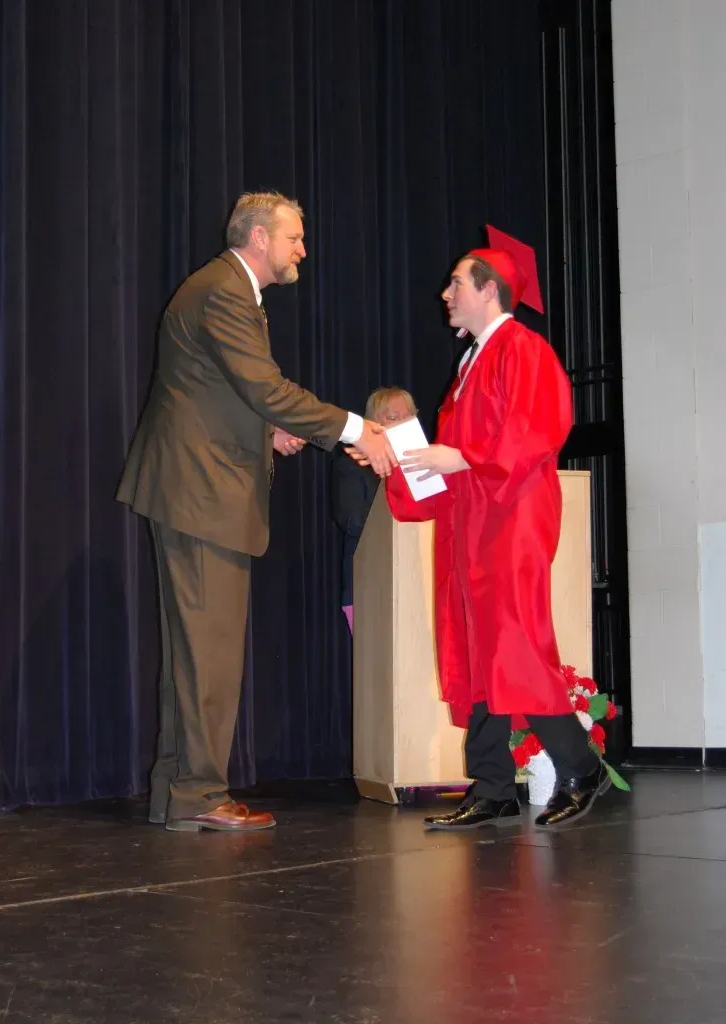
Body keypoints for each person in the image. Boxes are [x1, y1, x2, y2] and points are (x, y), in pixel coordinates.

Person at [117, 191, 394, 833]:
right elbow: (264, 386)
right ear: (260, 238)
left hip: (193, 488)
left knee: (193, 653)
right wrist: (356, 429)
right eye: (294, 238)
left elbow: (216, 389)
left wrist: (267, 430)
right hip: (200, 492)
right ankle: (198, 793)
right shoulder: (224, 292)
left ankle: (178, 792)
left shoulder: (225, 290)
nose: (303, 250)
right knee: (209, 653)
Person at [379, 242, 613, 831]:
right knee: (479, 648)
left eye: (456, 282)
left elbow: (534, 431)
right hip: (474, 525)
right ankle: (492, 786)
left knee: (514, 644)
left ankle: (581, 767)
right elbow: (450, 462)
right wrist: (399, 460)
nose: (446, 293)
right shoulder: (470, 365)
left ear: (489, 289)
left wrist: (458, 457)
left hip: (511, 519)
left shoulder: (522, 349)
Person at [330, 387, 417, 634]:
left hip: (416, 581)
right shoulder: (351, 466)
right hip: (368, 583)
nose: (403, 425)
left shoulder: (424, 468)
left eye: (409, 417)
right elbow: (353, 521)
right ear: (373, 426)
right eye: (393, 418)